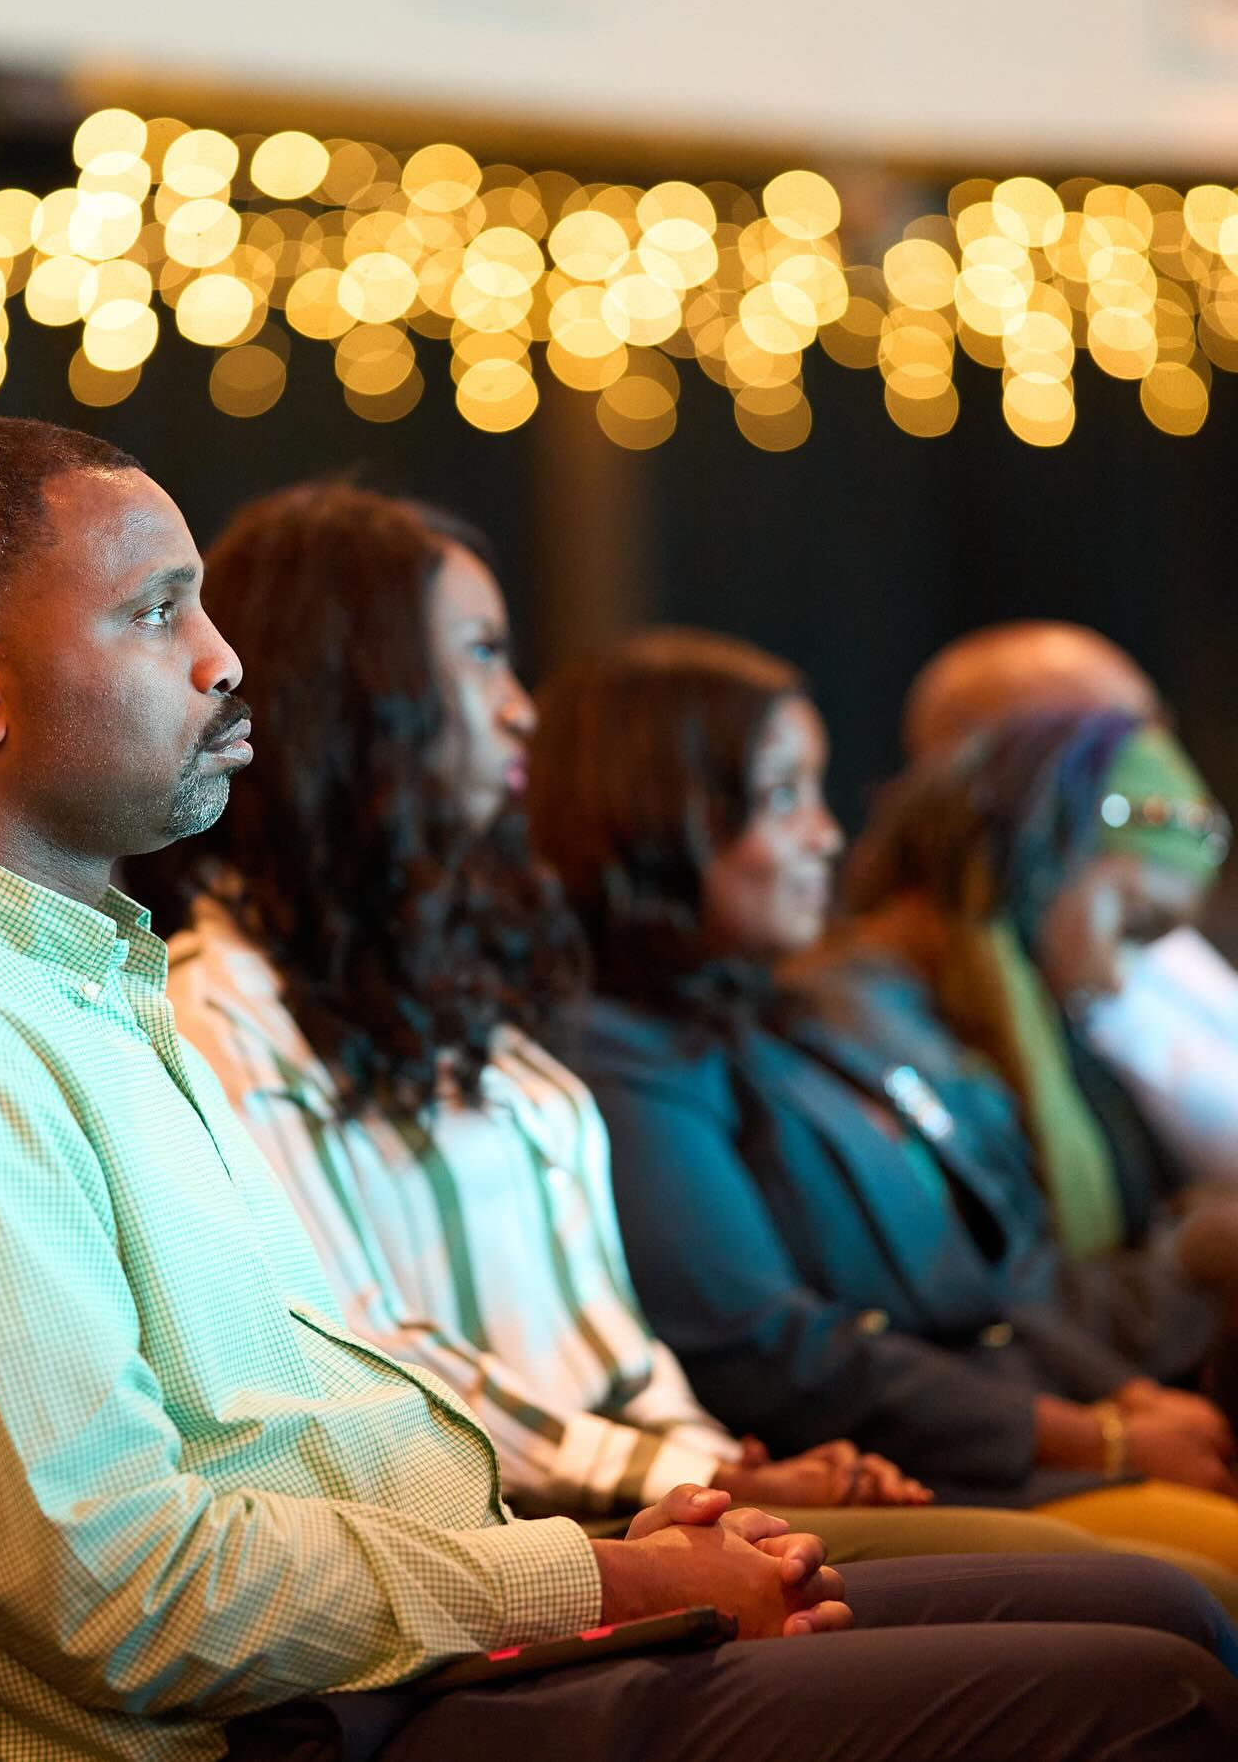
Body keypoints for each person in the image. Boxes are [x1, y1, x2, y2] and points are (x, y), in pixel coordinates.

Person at [0, 430, 1238, 1762]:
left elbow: (303, 1418)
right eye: (159, 612)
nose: (225, 662)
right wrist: (594, 1567)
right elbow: (119, 1588)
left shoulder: (72, 979)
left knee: (1169, 1623)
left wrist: (603, 1539)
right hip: (297, 1728)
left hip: (407, 1653)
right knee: (1162, 1679)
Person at [139, 481, 1158, 1576]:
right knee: (1160, 1611)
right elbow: (375, 1359)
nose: (518, 704)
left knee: (1166, 1604)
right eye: (481, 653)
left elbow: (613, 1341)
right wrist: (692, 1479)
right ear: (361, 690)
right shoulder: (221, 1015)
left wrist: (707, 1463)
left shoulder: (466, 1005)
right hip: (522, 1546)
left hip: (649, 1493)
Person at [527, 627, 1238, 1581]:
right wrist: (1099, 1435)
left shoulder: (780, 1020)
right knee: (1198, 1599)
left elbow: (993, 1280)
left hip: (1004, 1428)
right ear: (654, 817)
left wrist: (1124, 1403)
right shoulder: (620, 1054)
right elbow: (770, 1348)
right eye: (784, 796)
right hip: (935, 1469)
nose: (827, 834)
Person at [905, 621, 1238, 1186]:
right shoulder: (931, 1001)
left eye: (1154, 733)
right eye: (1110, 741)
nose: (1156, 767)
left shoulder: (1152, 941)